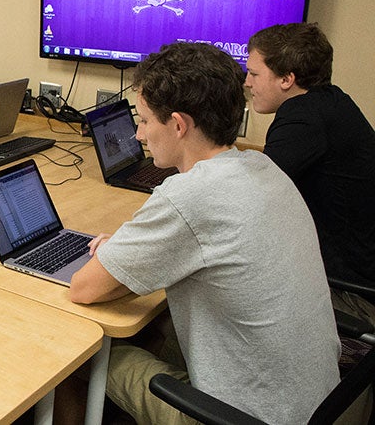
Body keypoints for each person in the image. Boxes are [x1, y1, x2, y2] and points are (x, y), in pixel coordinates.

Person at [68, 43, 340, 423]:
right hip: (313, 402)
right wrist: (136, 253)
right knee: (150, 327)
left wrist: (121, 259)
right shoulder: (262, 166)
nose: (138, 134)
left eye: (144, 120)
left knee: (76, 348)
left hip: (241, 416)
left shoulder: (191, 196)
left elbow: (84, 289)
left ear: (178, 125)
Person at [247, 22, 375, 325]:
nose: (247, 83)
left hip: (351, 296)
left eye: (254, 73)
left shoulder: (303, 118)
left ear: (287, 79)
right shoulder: (332, 102)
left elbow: (249, 198)